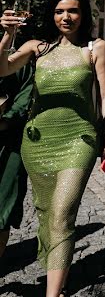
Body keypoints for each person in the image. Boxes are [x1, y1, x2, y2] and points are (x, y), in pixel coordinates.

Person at [0, 0, 105, 297]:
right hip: (37, 141)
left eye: (73, 11)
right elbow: (1, 68)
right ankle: (58, 277)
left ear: (84, 15)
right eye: (59, 11)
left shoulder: (96, 48)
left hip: (79, 139)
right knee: (48, 214)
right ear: (52, 16)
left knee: (63, 212)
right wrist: (6, 37)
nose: (66, 17)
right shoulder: (36, 48)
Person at [0, 63, 35, 260]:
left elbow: (25, 99)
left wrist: (5, 120)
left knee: (3, 211)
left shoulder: (23, 55)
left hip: (10, 146)